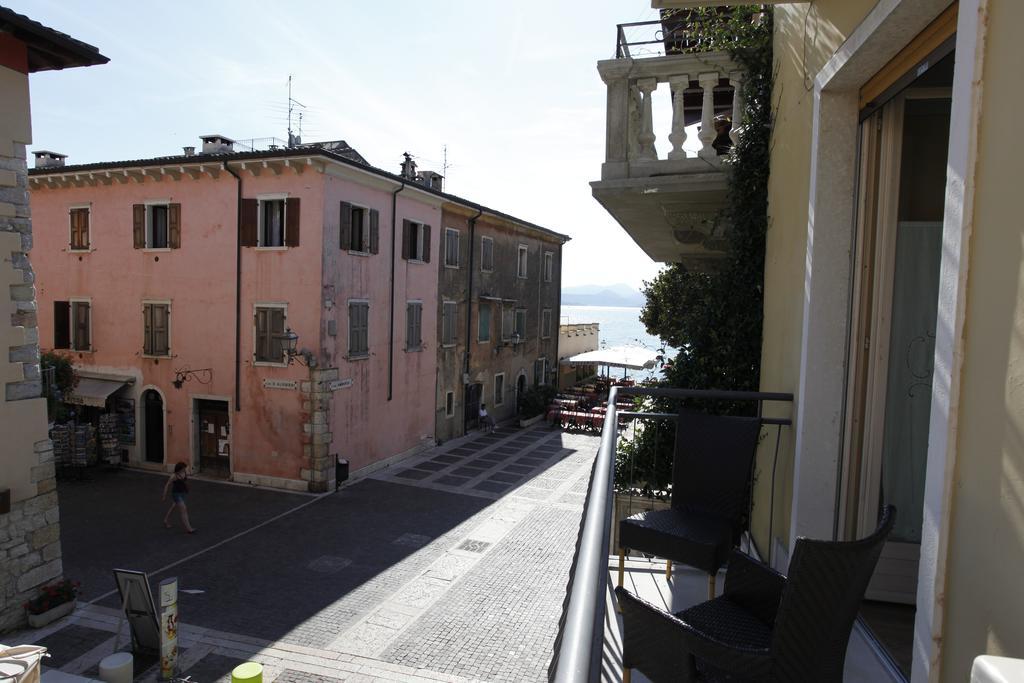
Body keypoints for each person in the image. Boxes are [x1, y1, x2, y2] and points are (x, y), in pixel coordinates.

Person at [162, 462, 196, 534]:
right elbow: (167, 485)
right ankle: (189, 528)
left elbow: (185, 481)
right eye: (183, 468)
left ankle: (166, 520)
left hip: (183, 493)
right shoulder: (174, 476)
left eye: (185, 468)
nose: (184, 469)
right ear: (179, 469)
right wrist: (164, 495)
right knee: (183, 509)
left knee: (173, 507)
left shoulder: (184, 472)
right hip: (176, 494)